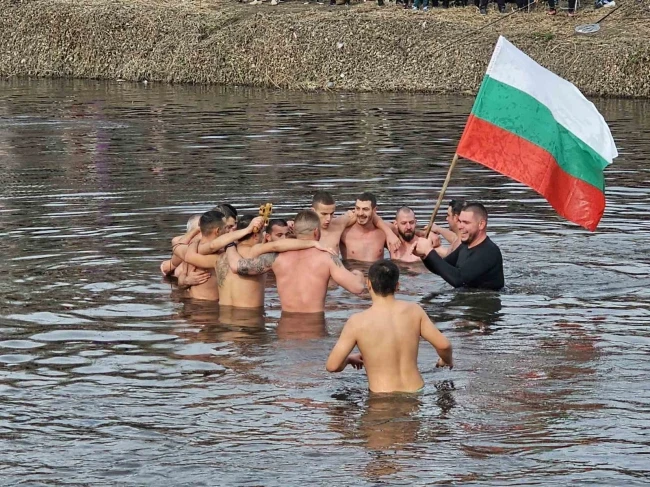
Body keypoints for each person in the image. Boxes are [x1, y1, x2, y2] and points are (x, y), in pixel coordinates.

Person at [326, 260, 453, 393]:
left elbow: (332, 366)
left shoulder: (357, 322)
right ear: (397, 286)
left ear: (368, 283)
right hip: (415, 391)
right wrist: (446, 360)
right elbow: (443, 345)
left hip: (382, 398)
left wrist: (348, 360)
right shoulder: (414, 311)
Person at [226, 210, 365, 313]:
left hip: (285, 333)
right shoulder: (327, 257)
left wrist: (230, 245)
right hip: (315, 331)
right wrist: (357, 273)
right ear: (316, 232)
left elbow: (237, 266)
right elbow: (357, 288)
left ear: (294, 231)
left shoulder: (276, 257)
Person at [414, 202, 504, 290]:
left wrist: (429, 250)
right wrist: (424, 255)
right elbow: (441, 268)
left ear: (481, 224)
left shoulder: (488, 252)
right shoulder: (464, 247)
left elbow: (458, 280)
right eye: (460, 221)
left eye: (466, 222)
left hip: (485, 302)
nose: (460, 226)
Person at [311, 191, 399, 257]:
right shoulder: (302, 227)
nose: (329, 219)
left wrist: (389, 232)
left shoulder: (339, 225)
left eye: (331, 214)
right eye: (324, 214)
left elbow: (368, 217)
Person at [340, 192, 400, 262]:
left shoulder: (384, 231)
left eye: (365, 209)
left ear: (374, 210)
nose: (360, 213)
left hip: (378, 272)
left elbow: (407, 238)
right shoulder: (344, 232)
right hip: (352, 271)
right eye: (358, 208)